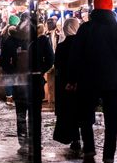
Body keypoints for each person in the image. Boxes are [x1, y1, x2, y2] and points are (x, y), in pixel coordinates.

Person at [69, 0, 117, 163]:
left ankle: (89, 155)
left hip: (87, 80)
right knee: (111, 122)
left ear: (94, 9)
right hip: (112, 81)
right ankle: (108, 162)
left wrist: (72, 79)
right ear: (111, 9)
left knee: (85, 118)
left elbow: (75, 55)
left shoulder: (85, 28)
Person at [13, 18, 54, 155]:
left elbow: (50, 60)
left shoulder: (42, 41)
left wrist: (38, 71)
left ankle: (34, 141)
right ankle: (23, 141)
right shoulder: (15, 41)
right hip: (20, 83)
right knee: (21, 114)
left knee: (34, 114)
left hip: (34, 83)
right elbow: (6, 60)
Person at [53, 18, 82, 154]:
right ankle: (83, 139)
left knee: (69, 112)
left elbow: (57, 65)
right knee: (80, 111)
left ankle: (75, 138)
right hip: (80, 84)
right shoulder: (83, 44)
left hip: (65, 85)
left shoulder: (62, 46)